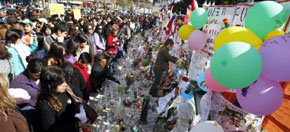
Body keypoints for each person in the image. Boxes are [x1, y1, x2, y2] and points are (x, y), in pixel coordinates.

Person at [36, 66, 79, 132]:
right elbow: (50, 128)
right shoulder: (44, 104)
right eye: (61, 83)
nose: (65, 85)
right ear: (51, 85)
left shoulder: (63, 93)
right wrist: (75, 125)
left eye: (64, 81)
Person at [10, 58, 43, 131]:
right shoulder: (18, 81)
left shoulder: (44, 77)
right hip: (28, 113)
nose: (38, 77)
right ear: (29, 71)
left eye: (40, 75)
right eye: (36, 75)